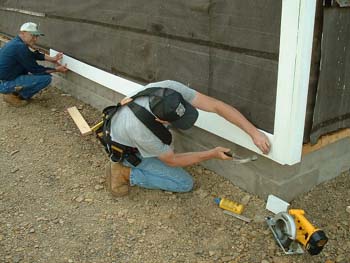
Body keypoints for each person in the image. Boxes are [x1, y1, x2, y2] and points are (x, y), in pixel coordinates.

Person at [103, 80, 271, 197]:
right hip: (127, 150)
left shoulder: (169, 88)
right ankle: (125, 172)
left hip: (132, 127)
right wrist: (212, 153)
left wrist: (254, 133)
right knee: (184, 183)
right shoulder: (142, 131)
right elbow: (173, 160)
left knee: (166, 148)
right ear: (160, 121)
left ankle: (151, 156)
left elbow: (216, 105)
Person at [0, 22, 68, 106]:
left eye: (37, 36)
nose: (35, 39)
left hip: (6, 77)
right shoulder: (20, 47)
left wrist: (53, 59)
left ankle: (11, 92)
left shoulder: (16, 43)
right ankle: (18, 96)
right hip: (4, 82)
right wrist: (57, 69)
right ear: (23, 33)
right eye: (33, 35)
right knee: (46, 78)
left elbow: (33, 55)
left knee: (25, 70)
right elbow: (36, 70)